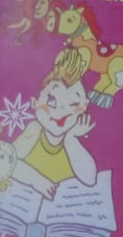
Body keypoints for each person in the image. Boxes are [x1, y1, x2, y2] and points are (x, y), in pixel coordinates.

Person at [9, 48, 99, 199]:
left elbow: (90, 179)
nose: (60, 110)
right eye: (51, 101)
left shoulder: (72, 141)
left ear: (84, 107)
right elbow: (8, 161)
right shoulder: (35, 129)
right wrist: (35, 180)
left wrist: (71, 139)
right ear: (35, 103)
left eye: (73, 104)